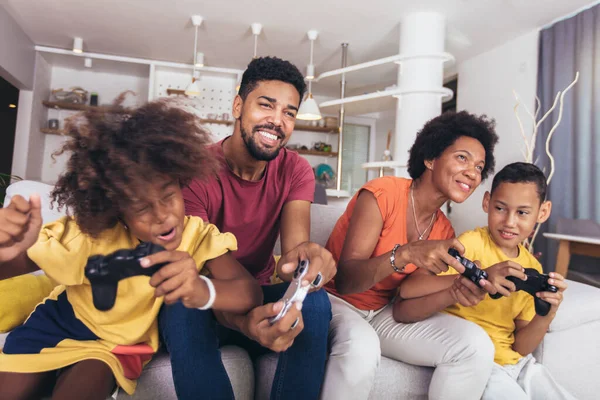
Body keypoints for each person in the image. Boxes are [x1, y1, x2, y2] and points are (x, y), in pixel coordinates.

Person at [0, 99, 262, 400]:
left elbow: (249, 292)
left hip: (112, 348)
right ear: (118, 210)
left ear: (181, 183)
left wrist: (202, 289)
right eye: (141, 208)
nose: (162, 214)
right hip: (56, 326)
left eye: (169, 196)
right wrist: (7, 248)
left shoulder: (196, 236)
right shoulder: (89, 236)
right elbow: (11, 266)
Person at [159, 56, 336, 400]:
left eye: (289, 112)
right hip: (210, 299)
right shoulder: (197, 171)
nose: (277, 121)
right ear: (238, 106)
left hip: (259, 295)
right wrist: (245, 323)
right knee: (180, 305)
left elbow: (294, 254)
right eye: (266, 105)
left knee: (316, 303)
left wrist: (309, 262)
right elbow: (201, 267)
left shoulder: (296, 170)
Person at [322, 111, 500, 400]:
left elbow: (403, 308)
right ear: (430, 158)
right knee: (361, 346)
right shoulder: (382, 194)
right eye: (462, 158)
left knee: (475, 345)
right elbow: (346, 281)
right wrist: (406, 254)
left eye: (480, 167)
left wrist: (456, 289)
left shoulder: (443, 228)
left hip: (383, 313)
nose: (473, 173)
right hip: (335, 302)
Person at [398, 162, 574, 400]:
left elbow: (520, 347)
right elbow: (410, 289)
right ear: (487, 202)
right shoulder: (470, 244)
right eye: (501, 208)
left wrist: (547, 314)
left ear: (542, 212)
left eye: (522, 212)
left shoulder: (533, 267)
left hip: (518, 365)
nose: (509, 222)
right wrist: (476, 277)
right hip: (481, 363)